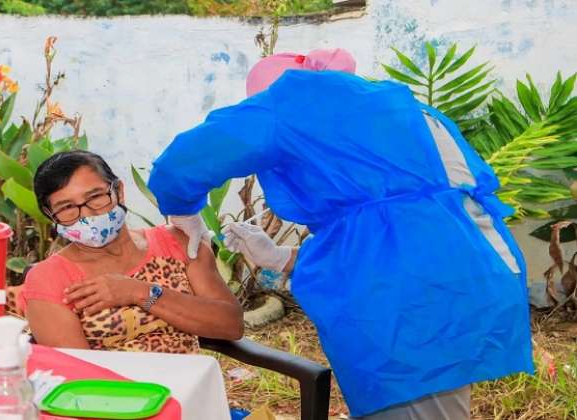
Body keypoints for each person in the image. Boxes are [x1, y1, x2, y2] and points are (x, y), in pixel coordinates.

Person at [147, 49, 533, 418]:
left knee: (411, 401)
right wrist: (282, 258)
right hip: (474, 269)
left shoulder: (288, 101)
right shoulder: (394, 106)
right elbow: (392, 229)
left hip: (406, 301)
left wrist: (182, 209)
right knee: (435, 400)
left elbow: (185, 161)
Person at [17, 151, 243, 354]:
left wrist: (140, 292)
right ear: (51, 217)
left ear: (119, 192)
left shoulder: (178, 243)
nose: (86, 214)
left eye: (95, 196)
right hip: (114, 397)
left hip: (190, 391)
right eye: (66, 207)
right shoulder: (50, 278)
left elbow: (231, 325)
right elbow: (78, 376)